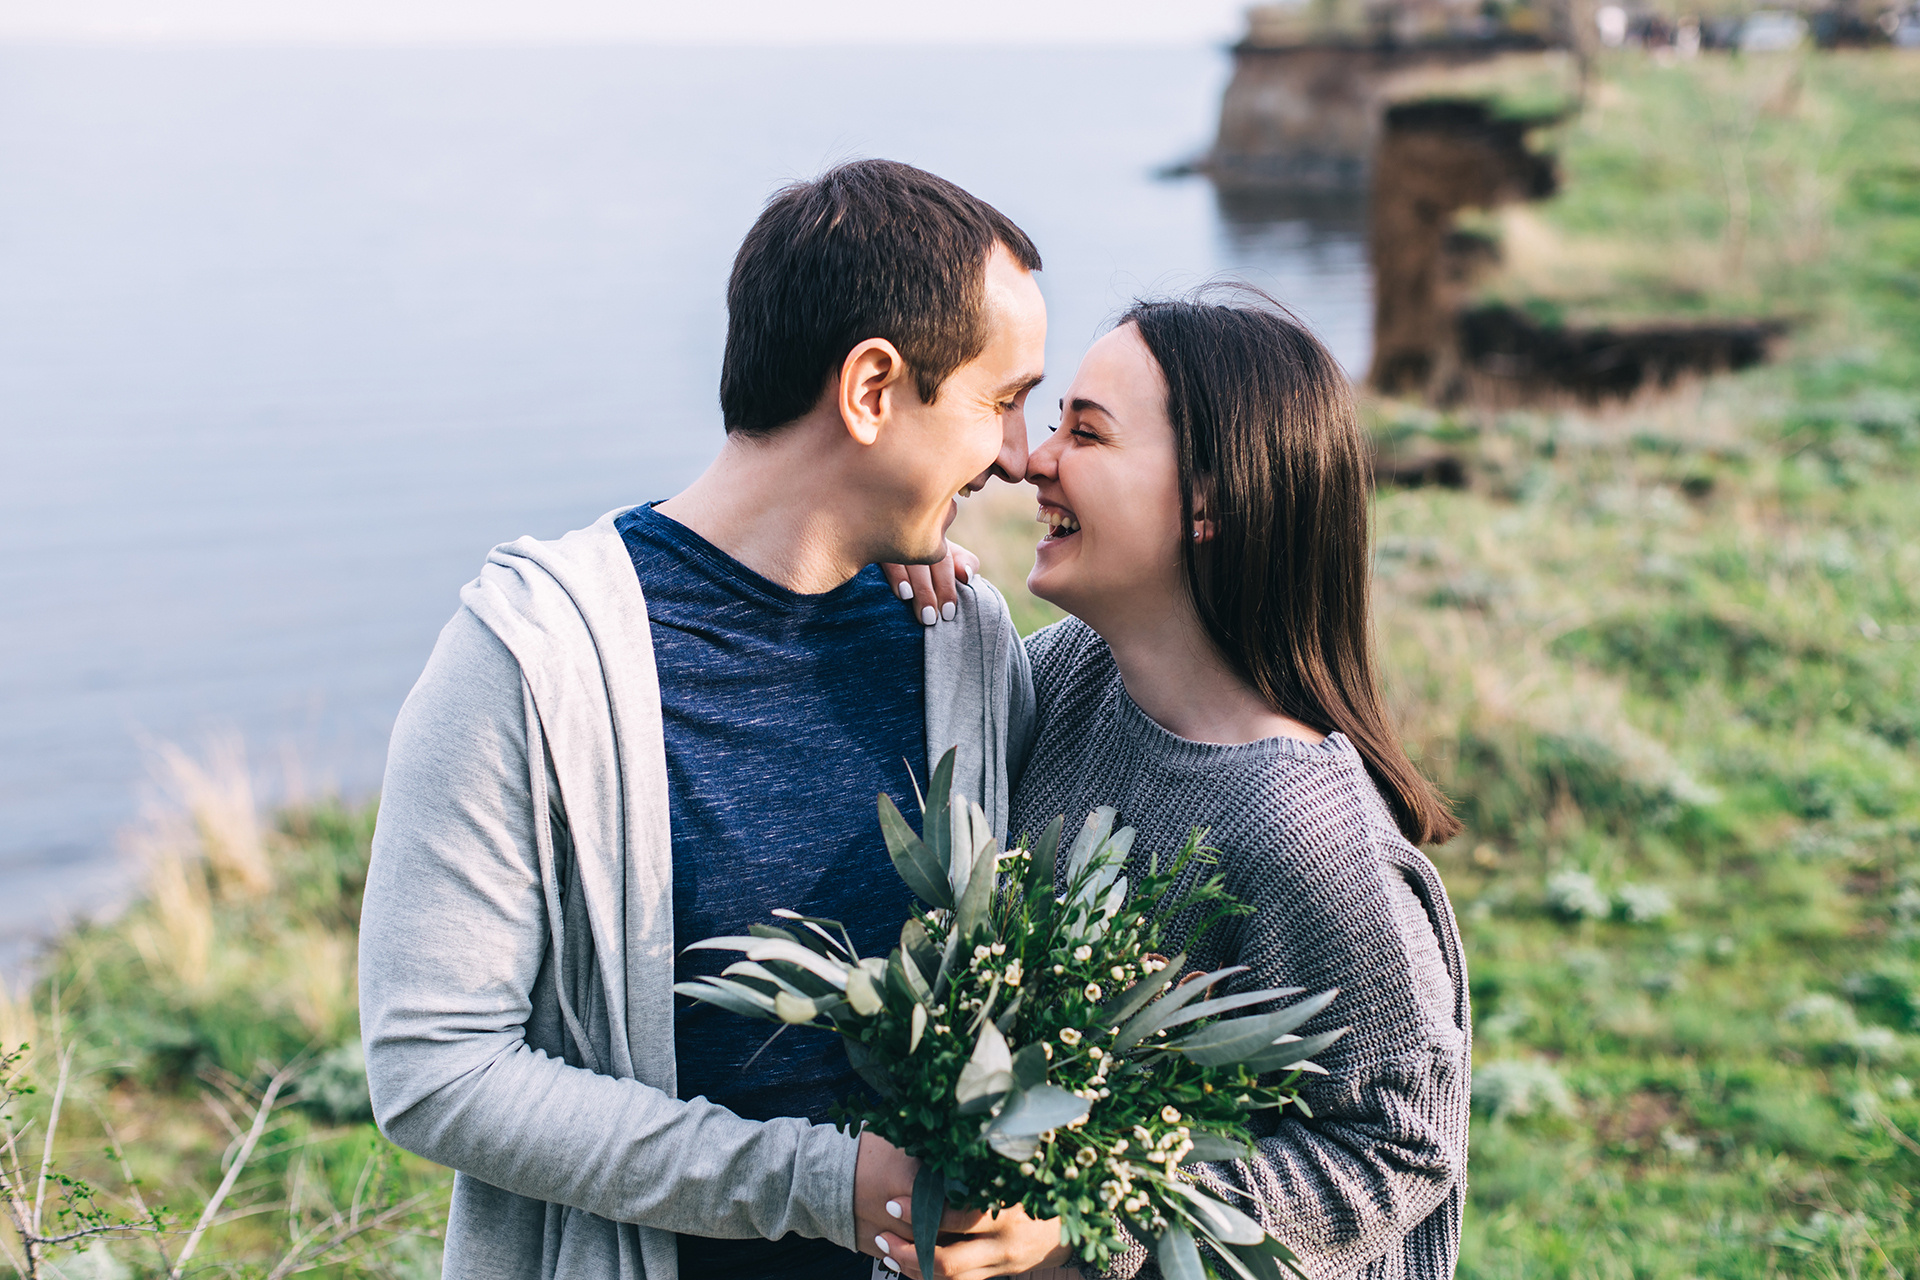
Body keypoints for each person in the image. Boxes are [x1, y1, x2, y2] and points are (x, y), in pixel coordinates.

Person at [357, 158, 1066, 1280]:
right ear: (873, 389)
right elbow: (435, 1068)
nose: (1022, 456)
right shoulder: (531, 660)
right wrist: (818, 1184)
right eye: (1002, 399)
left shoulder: (961, 641)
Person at [880, 294, 1471, 1280]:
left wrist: (1087, 1210)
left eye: (1087, 432)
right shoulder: (1075, 672)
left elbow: (1400, 1144)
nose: (1034, 460)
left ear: (1209, 499)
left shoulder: (1304, 829)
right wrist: (901, 570)